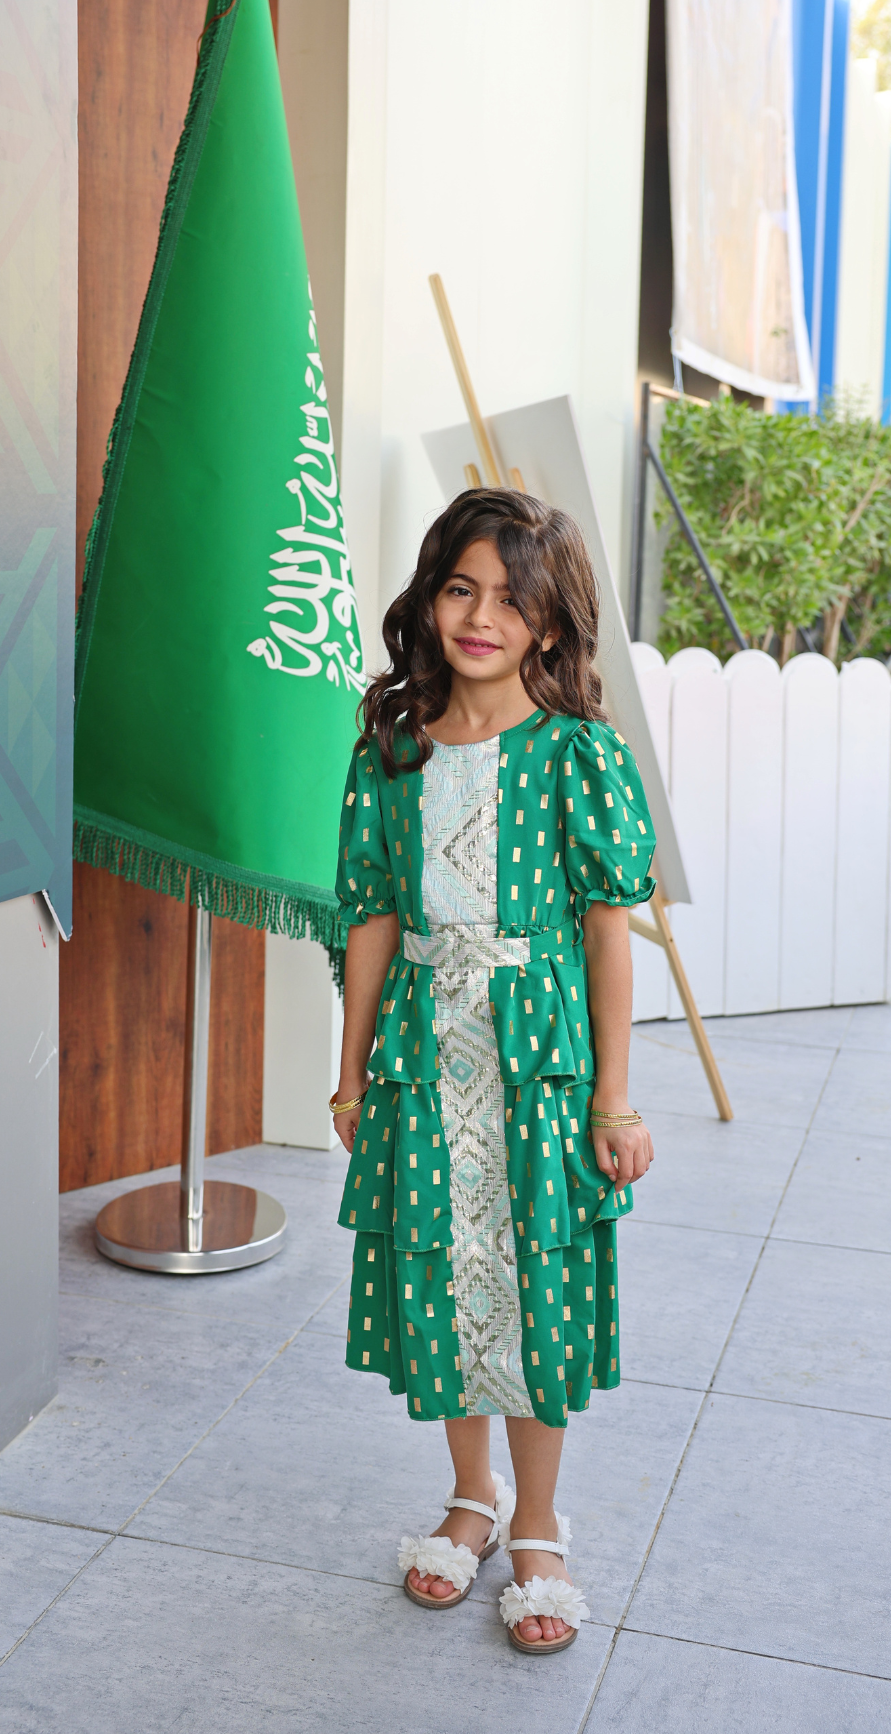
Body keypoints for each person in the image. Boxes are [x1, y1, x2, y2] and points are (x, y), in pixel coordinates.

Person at [330, 487, 656, 1655]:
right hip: (424, 1059)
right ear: (430, 598)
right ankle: (471, 1497)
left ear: (550, 625)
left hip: (539, 1066)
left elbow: (609, 932)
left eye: (511, 601)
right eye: (461, 589)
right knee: (446, 1275)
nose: (480, 618)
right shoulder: (392, 748)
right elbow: (370, 919)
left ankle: (538, 1526)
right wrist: (352, 1076)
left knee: (532, 1283)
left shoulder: (579, 753)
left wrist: (614, 1097)